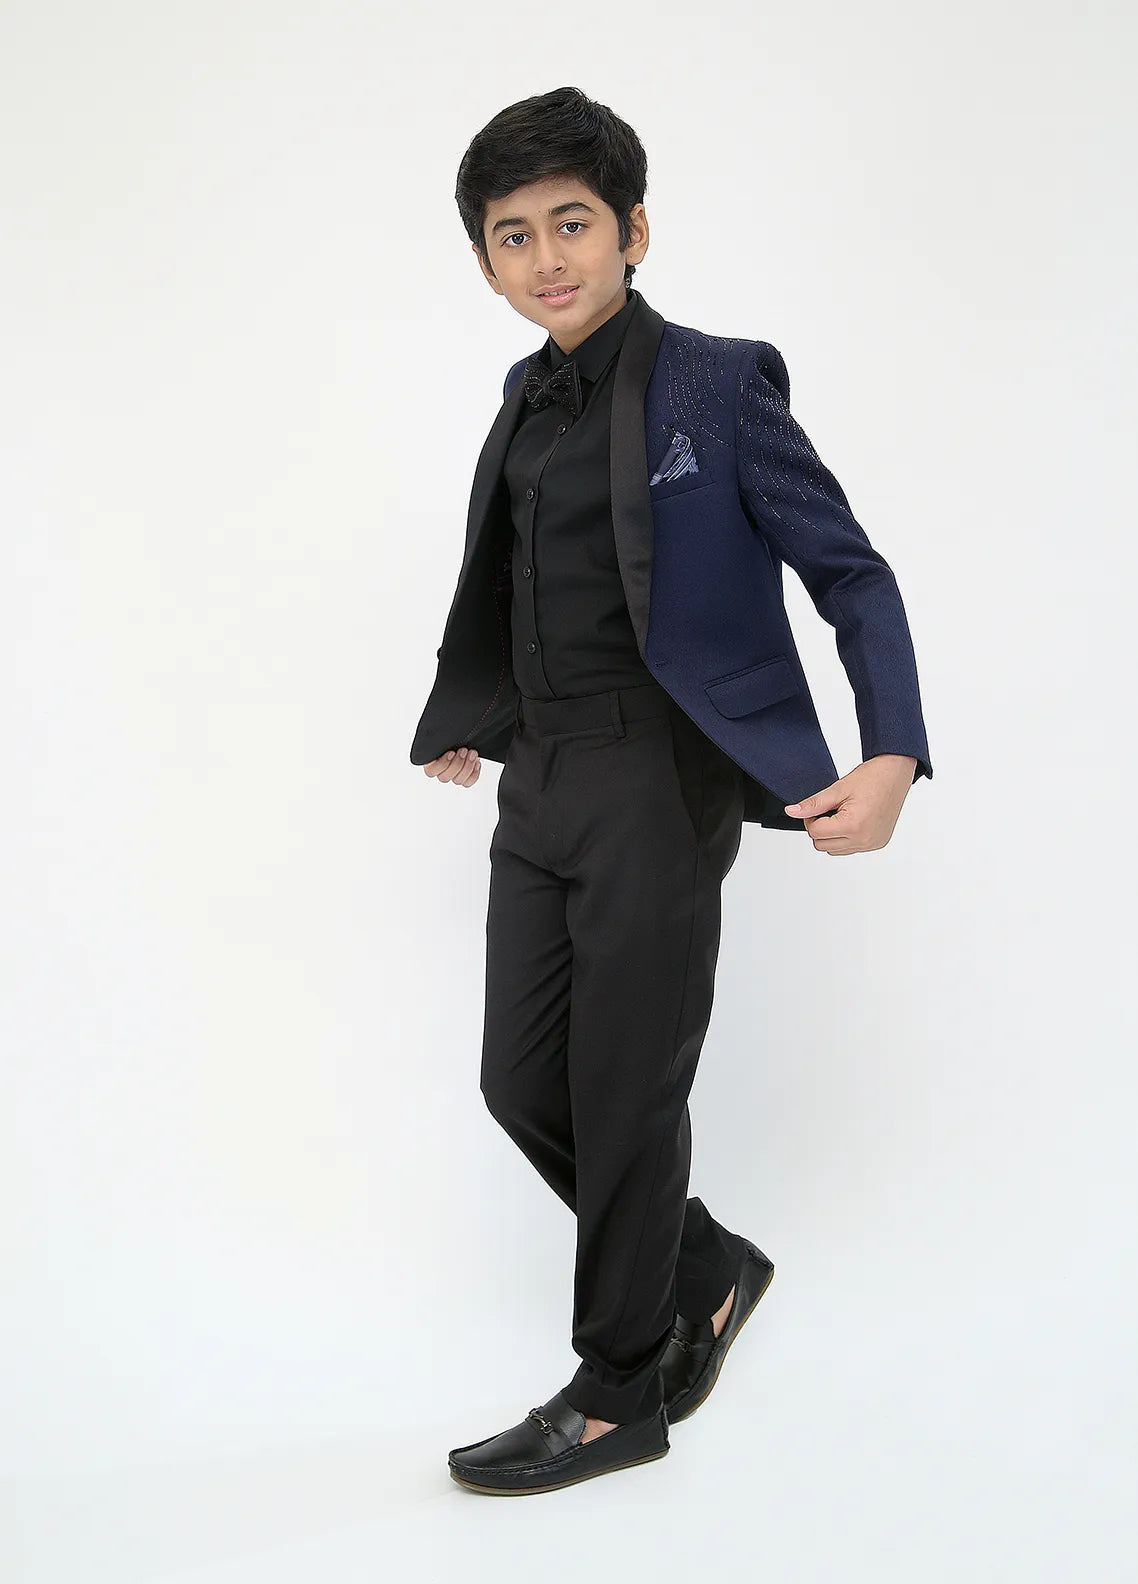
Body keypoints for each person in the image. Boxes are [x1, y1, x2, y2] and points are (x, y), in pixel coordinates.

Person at [409, 85, 933, 1497]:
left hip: (659, 771)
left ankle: (615, 1393)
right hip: (540, 777)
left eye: (571, 222)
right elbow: (514, 576)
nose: (545, 257)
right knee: (521, 1080)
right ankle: (703, 1268)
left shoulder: (715, 384)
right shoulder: (521, 396)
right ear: (485, 261)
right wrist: (474, 719)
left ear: (633, 231)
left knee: (625, 1087)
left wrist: (890, 750)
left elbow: (852, 574)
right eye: (511, 235)